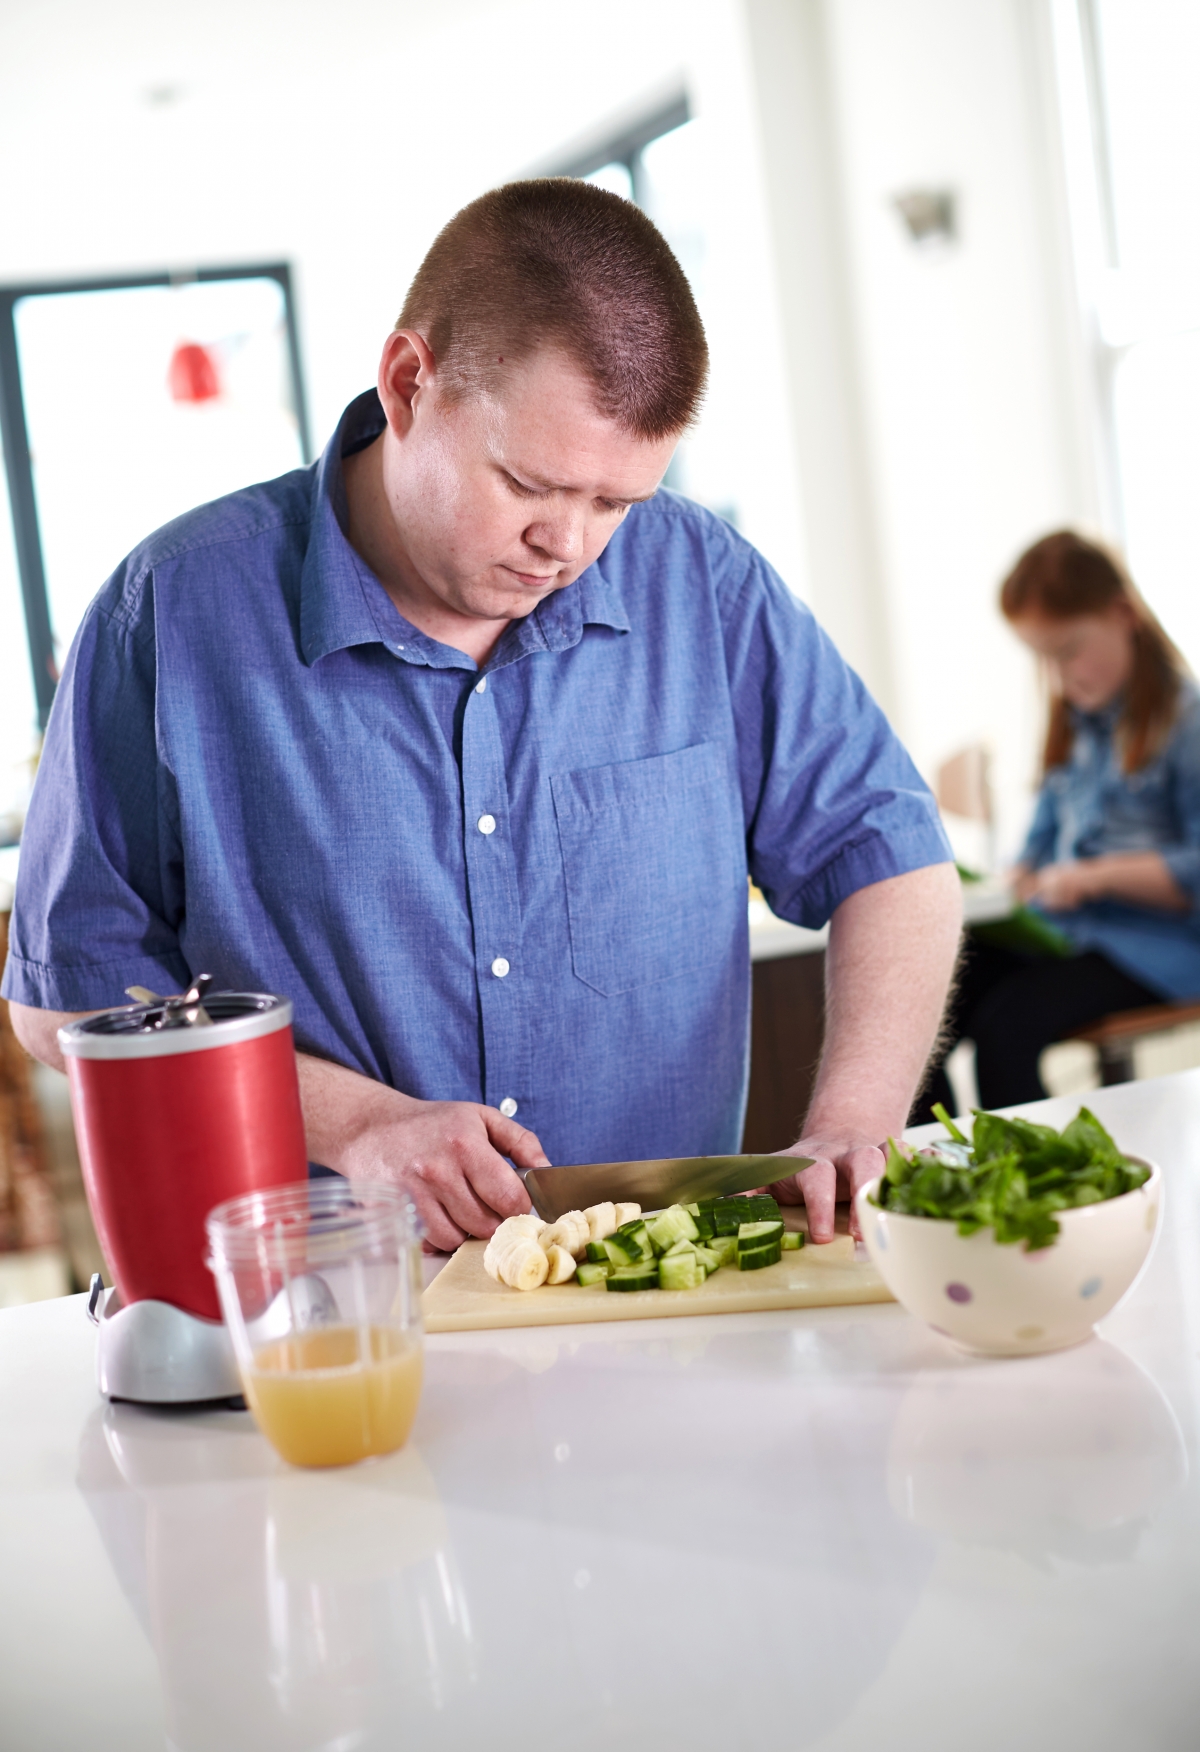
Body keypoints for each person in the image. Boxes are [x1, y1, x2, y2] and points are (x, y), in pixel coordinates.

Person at [4, 179, 960, 1248]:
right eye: (529, 484)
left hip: (659, 1292)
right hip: (329, 1314)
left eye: (615, 502)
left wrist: (854, 1122)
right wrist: (358, 1122)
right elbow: (70, 999)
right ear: (410, 383)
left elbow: (894, 858)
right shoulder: (173, 613)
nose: (572, 547)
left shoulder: (703, 582)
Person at [913, 529, 1200, 1121]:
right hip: (1065, 935)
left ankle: (1049, 1196)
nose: (1059, 674)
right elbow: (1038, 844)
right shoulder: (1075, 728)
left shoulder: (1186, 721)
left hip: (1155, 949)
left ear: (1123, 615)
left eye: (1068, 651)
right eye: (1043, 657)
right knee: (918, 1010)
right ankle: (940, 1180)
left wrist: (1095, 878)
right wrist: (1019, 875)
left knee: (1007, 1029)